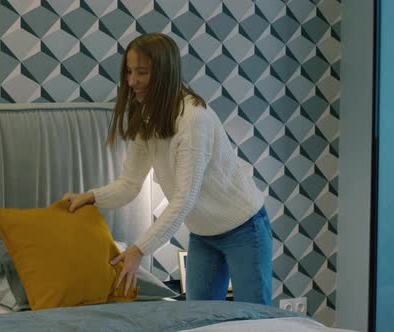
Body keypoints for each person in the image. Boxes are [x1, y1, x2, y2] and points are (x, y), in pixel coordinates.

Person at [61, 33, 272, 305]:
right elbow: (129, 185)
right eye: (128, 71)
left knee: (254, 319)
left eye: (142, 72)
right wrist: (89, 197)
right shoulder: (148, 117)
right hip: (204, 234)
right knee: (197, 318)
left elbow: (184, 199)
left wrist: (139, 250)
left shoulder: (193, 120)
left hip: (244, 227)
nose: (131, 81)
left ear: (164, 73)